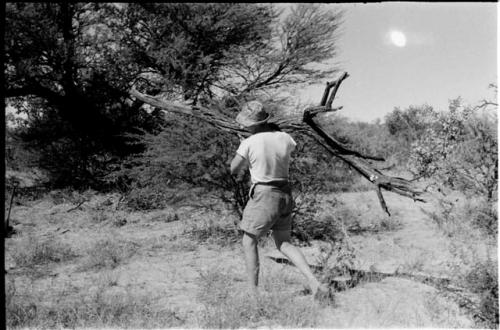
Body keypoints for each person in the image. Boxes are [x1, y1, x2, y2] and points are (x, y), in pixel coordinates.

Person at [229, 100, 332, 301]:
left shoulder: (248, 142)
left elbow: (234, 168)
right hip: (285, 192)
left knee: (249, 241)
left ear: (252, 124)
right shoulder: (285, 137)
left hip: (264, 194)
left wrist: (245, 148)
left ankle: (253, 294)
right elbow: (279, 148)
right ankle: (314, 282)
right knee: (284, 242)